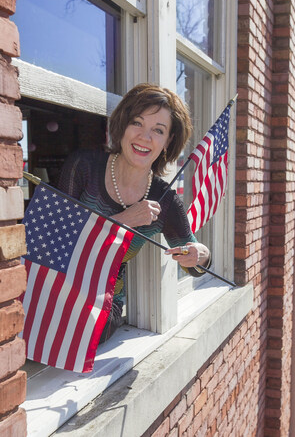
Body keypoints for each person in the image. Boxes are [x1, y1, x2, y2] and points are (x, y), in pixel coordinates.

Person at [58, 83, 211, 343]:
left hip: (102, 305)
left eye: (158, 130)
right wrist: (125, 220)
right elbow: (58, 241)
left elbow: (195, 265)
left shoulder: (166, 200)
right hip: (57, 285)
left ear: (168, 141)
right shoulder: (84, 167)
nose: (144, 137)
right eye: (137, 123)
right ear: (123, 126)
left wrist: (201, 255)